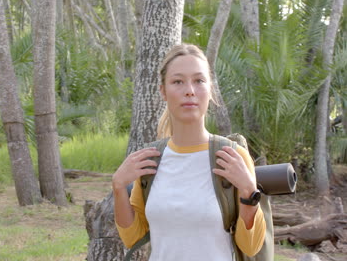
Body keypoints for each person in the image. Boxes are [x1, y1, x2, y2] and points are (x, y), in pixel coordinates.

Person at [112, 44, 266, 260]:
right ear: (163, 91)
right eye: (178, 81)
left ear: (210, 89)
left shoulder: (232, 156)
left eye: (199, 80)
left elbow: (250, 247)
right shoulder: (151, 159)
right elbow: (133, 236)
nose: (189, 90)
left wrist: (249, 191)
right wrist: (119, 187)